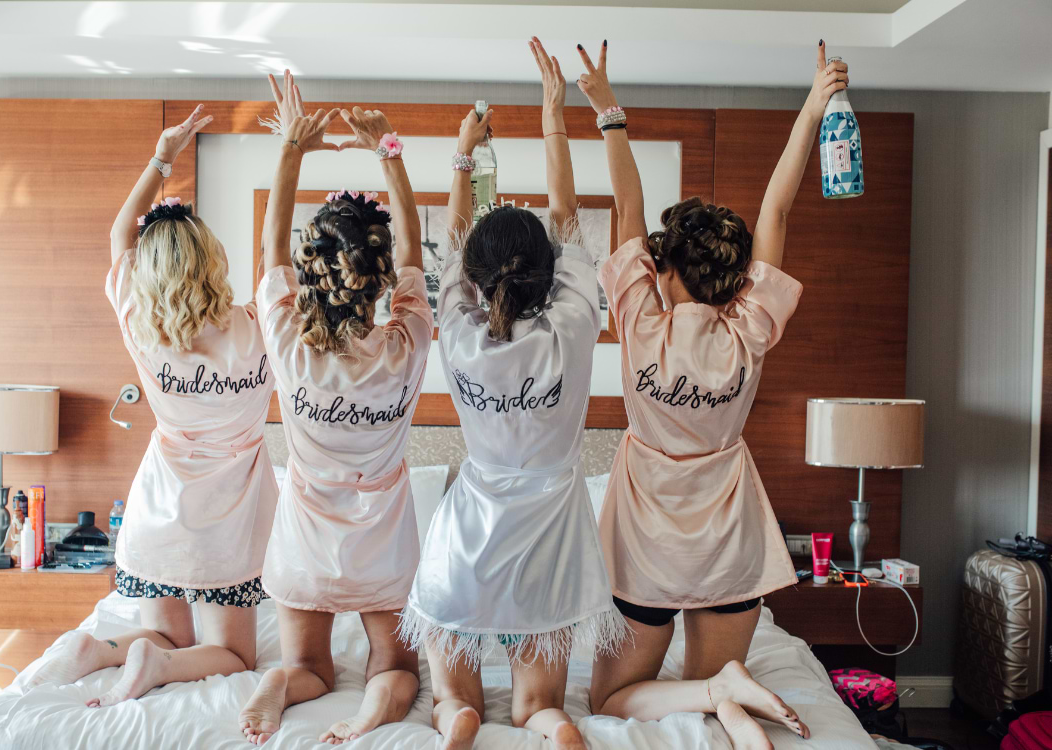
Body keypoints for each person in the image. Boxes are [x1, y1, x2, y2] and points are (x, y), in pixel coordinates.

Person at [578, 40, 849, 748]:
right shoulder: (749, 330)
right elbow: (778, 211)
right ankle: (725, 696)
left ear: (665, 268)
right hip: (729, 546)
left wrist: (610, 112)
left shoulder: (640, 323)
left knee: (608, 698)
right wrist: (815, 105)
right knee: (704, 683)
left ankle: (716, 695)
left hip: (645, 545)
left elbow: (627, 200)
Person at [398, 38, 627, 750]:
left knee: (450, 692)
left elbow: (458, 237)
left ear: (476, 277)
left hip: (466, 544)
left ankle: (456, 718)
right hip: (550, 545)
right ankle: (551, 725)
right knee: (538, 704)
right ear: (549, 272)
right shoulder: (572, 328)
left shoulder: (461, 333)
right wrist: (555, 114)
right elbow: (566, 211)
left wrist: (464, 154)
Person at [27, 104, 279, 707]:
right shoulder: (255, 329)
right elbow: (277, 259)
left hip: (160, 510)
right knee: (237, 655)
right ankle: (156, 668)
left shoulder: (142, 325)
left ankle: (104, 650)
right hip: (228, 520)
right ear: (211, 259)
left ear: (149, 271)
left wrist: (162, 156)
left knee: (169, 632)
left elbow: (119, 235)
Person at [237, 73, 430, 746]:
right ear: (378, 282)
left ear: (310, 268)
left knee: (307, 666)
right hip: (383, 550)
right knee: (398, 664)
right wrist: (390, 150)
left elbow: (267, 252)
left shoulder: (289, 343)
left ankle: (278, 686)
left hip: (304, 545)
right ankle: (375, 713)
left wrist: (292, 147)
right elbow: (412, 249)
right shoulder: (406, 343)